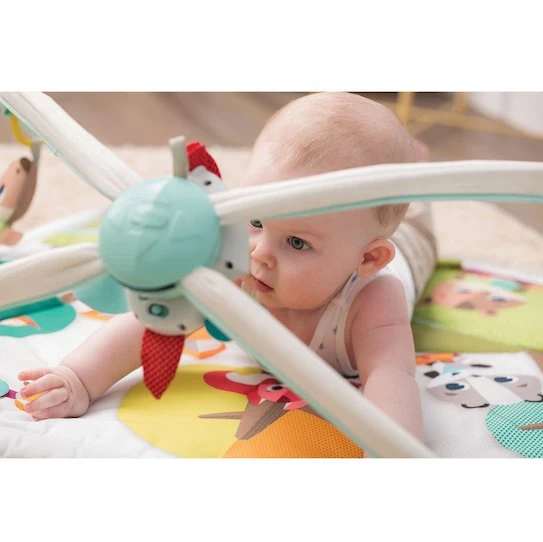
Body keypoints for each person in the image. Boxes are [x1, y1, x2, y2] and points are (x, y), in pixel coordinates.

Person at [18, 92, 436, 448]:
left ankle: (417, 168)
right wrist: (77, 378)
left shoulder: (373, 298)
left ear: (369, 259)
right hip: (354, 240)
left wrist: (392, 452)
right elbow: (150, 322)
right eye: (254, 219)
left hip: (407, 251)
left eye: (297, 242)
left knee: (415, 216)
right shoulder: (234, 263)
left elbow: (391, 375)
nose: (259, 253)